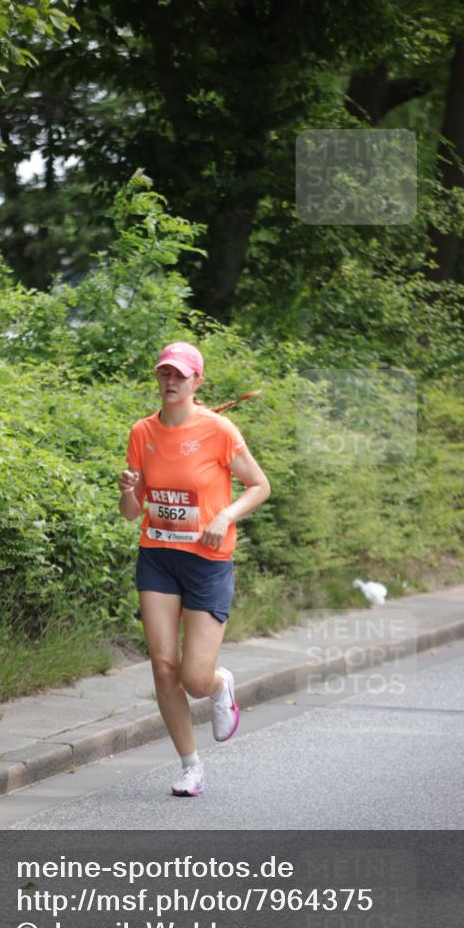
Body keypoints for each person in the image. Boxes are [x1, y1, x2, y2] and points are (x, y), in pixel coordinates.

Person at [118, 341, 271, 796]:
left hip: (207, 562)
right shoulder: (141, 432)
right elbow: (131, 512)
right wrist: (128, 488)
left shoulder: (219, 430)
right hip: (159, 556)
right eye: (165, 373)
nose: (170, 382)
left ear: (197, 382)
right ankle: (190, 766)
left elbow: (259, 486)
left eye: (180, 376)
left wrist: (224, 516)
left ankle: (220, 684)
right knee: (163, 669)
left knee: (194, 678)